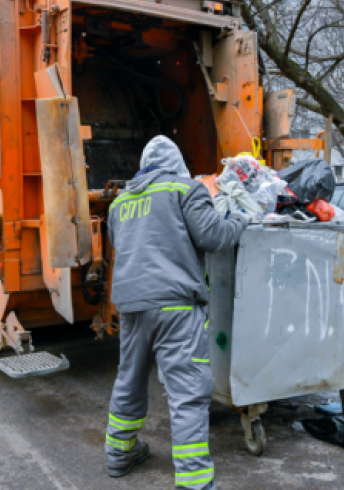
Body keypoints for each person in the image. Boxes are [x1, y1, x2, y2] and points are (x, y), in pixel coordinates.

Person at [105, 136, 249, 489]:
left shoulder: (120, 201)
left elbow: (120, 243)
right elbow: (213, 237)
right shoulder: (185, 189)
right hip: (175, 305)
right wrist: (240, 219)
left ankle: (119, 453)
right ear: (177, 163)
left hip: (131, 304)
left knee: (129, 378)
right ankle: (194, 479)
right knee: (187, 390)